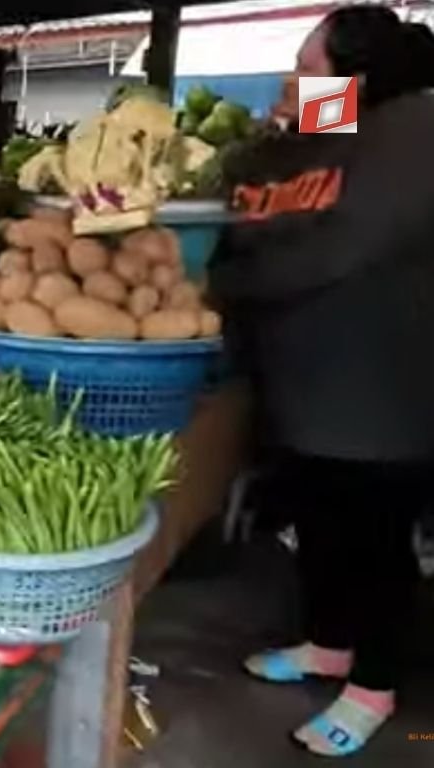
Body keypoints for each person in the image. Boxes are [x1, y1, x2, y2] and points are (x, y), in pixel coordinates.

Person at [210, 7, 434, 757]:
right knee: (324, 520)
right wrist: (276, 127)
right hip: (316, 381)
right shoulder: (346, 120)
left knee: (375, 537)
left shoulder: (416, 134)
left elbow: (335, 247)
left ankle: (373, 686)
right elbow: (263, 175)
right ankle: (327, 646)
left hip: (383, 383)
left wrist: (229, 280)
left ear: (356, 77)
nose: (297, 82)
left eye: (309, 69)